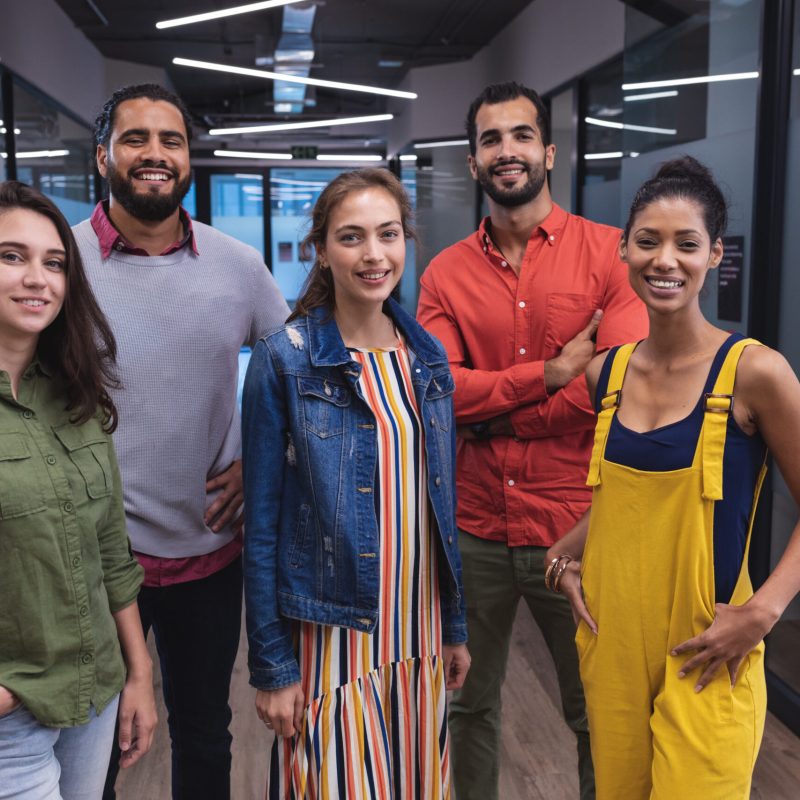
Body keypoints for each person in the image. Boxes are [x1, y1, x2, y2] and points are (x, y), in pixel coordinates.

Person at [416, 81, 649, 800]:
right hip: (476, 529)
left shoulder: (613, 255)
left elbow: (617, 384)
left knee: (595, 713)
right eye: (491, 139)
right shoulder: (444, 273)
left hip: (577, 528)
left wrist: (495, 409)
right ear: (473, 160)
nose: (507, 150)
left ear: (548, 151)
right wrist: (546, 375)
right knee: (468, 705)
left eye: (521, 135)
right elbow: (441, 394)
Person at [550, 156, 800, 799]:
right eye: (648, 241)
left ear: (715, 254)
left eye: (687, 244)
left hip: (709, 642)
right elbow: (617, 507)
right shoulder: (605, 374)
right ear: (623, 249)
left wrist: (764, 612)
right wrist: (564, 561)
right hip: (614, 642)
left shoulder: (756, 372)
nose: (666, 260)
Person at [71, 84, 289, 800]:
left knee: (203, 729)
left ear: (189, 159)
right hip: (93, 560)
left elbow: (302, 385)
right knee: (94, 734)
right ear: (103, 155)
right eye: (136, 139)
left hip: (206, 550)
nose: (155, 155)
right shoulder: (61, 265)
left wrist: (262, 466)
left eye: (172, 141)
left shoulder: (237, 266)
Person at [242, 168, 469, 798]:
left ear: (406, 241)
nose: (374, 254)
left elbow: (437, 510)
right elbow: (260, 527)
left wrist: (453, 625)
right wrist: (273, 664)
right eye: (351, 237)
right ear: (321, 250)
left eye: (388, 234)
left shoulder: (425, 358)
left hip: (417, 635)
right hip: (333, 640)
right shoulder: (283, 358)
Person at [0, 181, 156, 798]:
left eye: (54, 262)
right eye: (11, 256)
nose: (37, 278)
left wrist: (138, 675)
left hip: (95, 693)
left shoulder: (75, 396)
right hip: (16, 710)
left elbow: (111, 553)